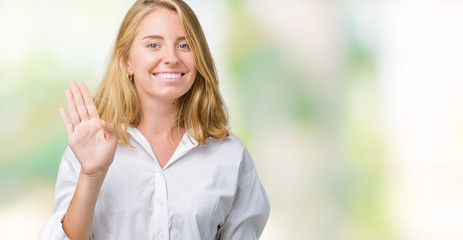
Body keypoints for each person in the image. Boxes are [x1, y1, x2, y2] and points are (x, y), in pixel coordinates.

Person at [39, 0, 270, 239]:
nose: (171, 57)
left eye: (184, 45)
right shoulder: (89, 148)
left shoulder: (229, 156)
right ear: (125, 61)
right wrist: (91, 174)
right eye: (153, 45)